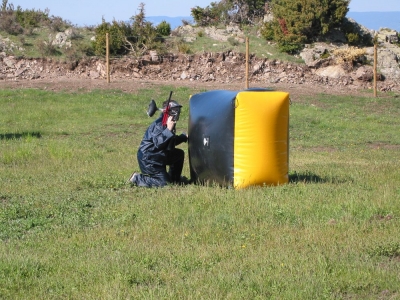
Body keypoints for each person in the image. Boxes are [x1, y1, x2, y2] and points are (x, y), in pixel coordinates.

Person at [128, 99, 188, 187]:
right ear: (168, 111)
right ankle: (137, 178)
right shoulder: (160, 125)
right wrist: (168, 129)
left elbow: (169, 142)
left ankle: (174, 179)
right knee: (164, 184)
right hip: (149, 159)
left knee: (179, 154)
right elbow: (158, 143)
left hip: (158, 155)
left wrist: (183, 137)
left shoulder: (168, 123)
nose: (177, 113)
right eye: (175, 110)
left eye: (178, 110)